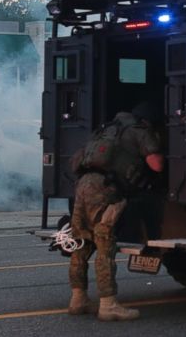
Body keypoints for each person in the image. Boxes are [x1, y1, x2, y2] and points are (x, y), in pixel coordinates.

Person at [67, 102, 165, 322]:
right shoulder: (140, 130)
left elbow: (77, 158)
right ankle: (108, 304)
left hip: (83, 185)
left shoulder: (106, 128)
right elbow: (156, 164)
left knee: (81, 244)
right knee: (105, 245)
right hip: (105, 189)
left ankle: (78, 298)